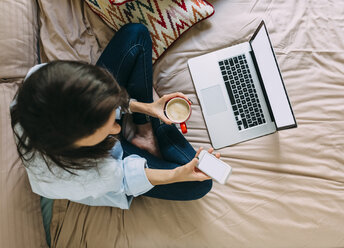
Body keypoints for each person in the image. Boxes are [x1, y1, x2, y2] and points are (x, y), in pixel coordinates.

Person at [10, 23, 219, 210]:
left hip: (84, 120)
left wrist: (147, 108)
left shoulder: (42, 79)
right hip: (110, 171)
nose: (118, 128)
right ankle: (155, 130)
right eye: (109, 127)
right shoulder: (74, 177)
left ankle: (146, 128)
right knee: (198, 183)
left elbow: (105, 99)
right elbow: (125, 178)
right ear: (79, 144)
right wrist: (177, 174)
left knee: (136, 35)